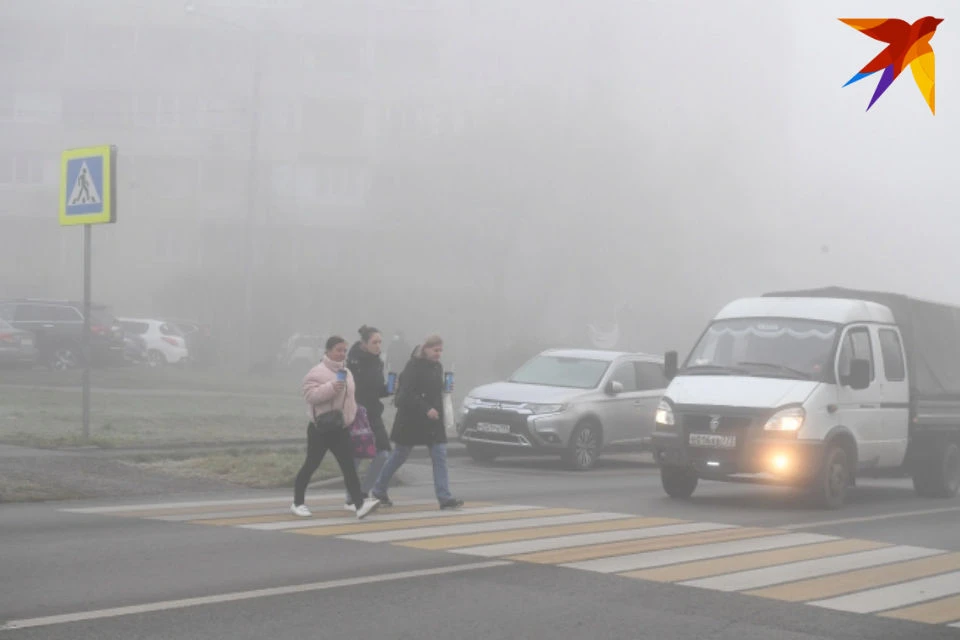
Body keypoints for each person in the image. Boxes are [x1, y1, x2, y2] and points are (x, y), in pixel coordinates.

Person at [291, 335, 380, 520]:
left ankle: (359, 505)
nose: (342, 354)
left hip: (341, 428)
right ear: (328, 351)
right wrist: (332, 387)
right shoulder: (316, 372)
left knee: (348, 467)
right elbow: (310, 396)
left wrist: (354, 415)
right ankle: (298, 503)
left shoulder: (347, 372)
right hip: (321, 429)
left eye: (344, 350)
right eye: (338, 350)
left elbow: (350, 399)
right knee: (311, 465)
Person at [371, 334, 464, 510]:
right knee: (400, 454)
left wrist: (445, 388)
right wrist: (426, 408)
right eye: (435, 350)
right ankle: (379, 489)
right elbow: (405, 394)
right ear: (426, 349)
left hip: (433, 421)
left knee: (440, 455)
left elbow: (433, 390)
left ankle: (444, 498)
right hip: (411, 419)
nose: (438, 354)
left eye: (440, 350)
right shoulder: (413, 366)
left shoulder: (438, 367)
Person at [344, 325, 392, 510]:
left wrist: (387, 390)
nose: (378, 346)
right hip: (357, 413)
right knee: (357, 456)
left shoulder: (377, 361)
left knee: (383, 454)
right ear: (364, 344)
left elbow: (376, 389)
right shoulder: (353, 362)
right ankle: (351, 497)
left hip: (374, 414)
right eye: (374, 342)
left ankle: (363, 492)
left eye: (380, 342)